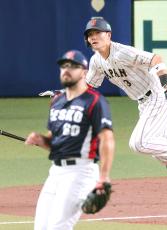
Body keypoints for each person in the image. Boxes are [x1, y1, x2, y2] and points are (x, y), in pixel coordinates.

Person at [83, 16, 167, 205]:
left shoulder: (121, 53)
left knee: (139, 143)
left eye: (97, 32)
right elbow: (88, 86)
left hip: (159, 95)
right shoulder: (97, 61)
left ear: (108, 35)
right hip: (144, 103)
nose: (93, 37)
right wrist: (63, 94)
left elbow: (155, 59)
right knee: (160, 151)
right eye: (90, 34)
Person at [25, 49, 115, 230]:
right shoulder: (57, 102)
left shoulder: (95, 101)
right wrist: (40, 140)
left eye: (73, 66)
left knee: (58, 227)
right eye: (64, 66)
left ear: (84, 72)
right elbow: (54, 142)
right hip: (55, 173)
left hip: (80, 173)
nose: (67, 70)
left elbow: (107, 139)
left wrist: (104, 177)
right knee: (41, 227)